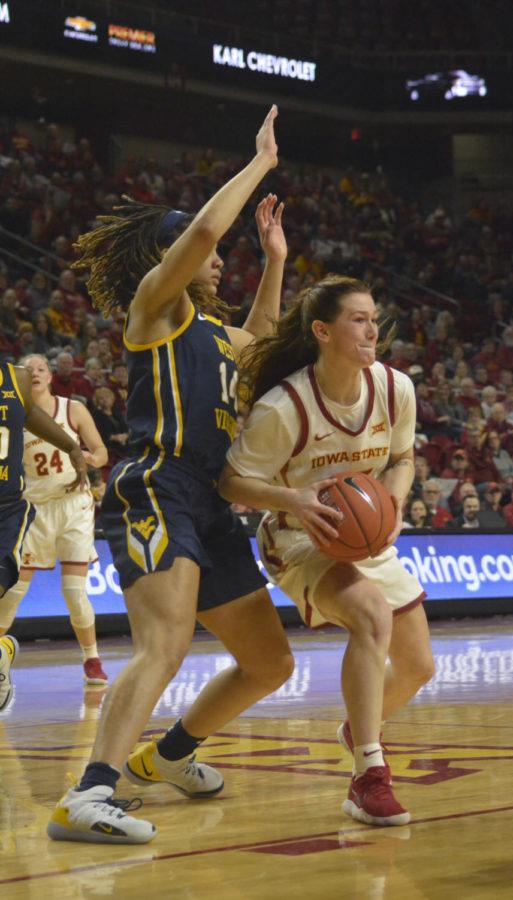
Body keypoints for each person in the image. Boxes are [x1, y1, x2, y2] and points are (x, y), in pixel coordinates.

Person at [47, 106, 295, 845]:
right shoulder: (154, 307)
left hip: (211, 501)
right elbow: (205, 235)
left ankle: (173, 754)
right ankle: (88, 795)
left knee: (269, 661)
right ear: (168, 256)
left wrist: (276, 259)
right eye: (197, 249)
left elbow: (262, 343)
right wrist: (258, 166)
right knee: (165, 642)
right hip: (156, 483)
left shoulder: (218, 332)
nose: (217, 259)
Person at [219, 274, 435, 827]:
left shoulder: (395, 388)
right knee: (368, 615)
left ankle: (356, 726)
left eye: (374, 318)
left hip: (365, 532)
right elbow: (231, 482)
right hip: (298, 535)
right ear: (322, 330)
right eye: (358, 319)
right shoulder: (284, 407)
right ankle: (368, 774)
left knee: (418, 667)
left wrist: (394, 500)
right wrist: (291, 496)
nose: (372, 329)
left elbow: (404, 457)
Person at [0, 354, 108, 682]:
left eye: (41, 368)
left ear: (50, 376)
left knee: (74, 590)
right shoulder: (16, 410)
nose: (34, 373)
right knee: (14, 589)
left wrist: (87, 458)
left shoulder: (72, 409)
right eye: (29, 368)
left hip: (73, 504)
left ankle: (92, 660)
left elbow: (101, 453)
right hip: (34, 505)